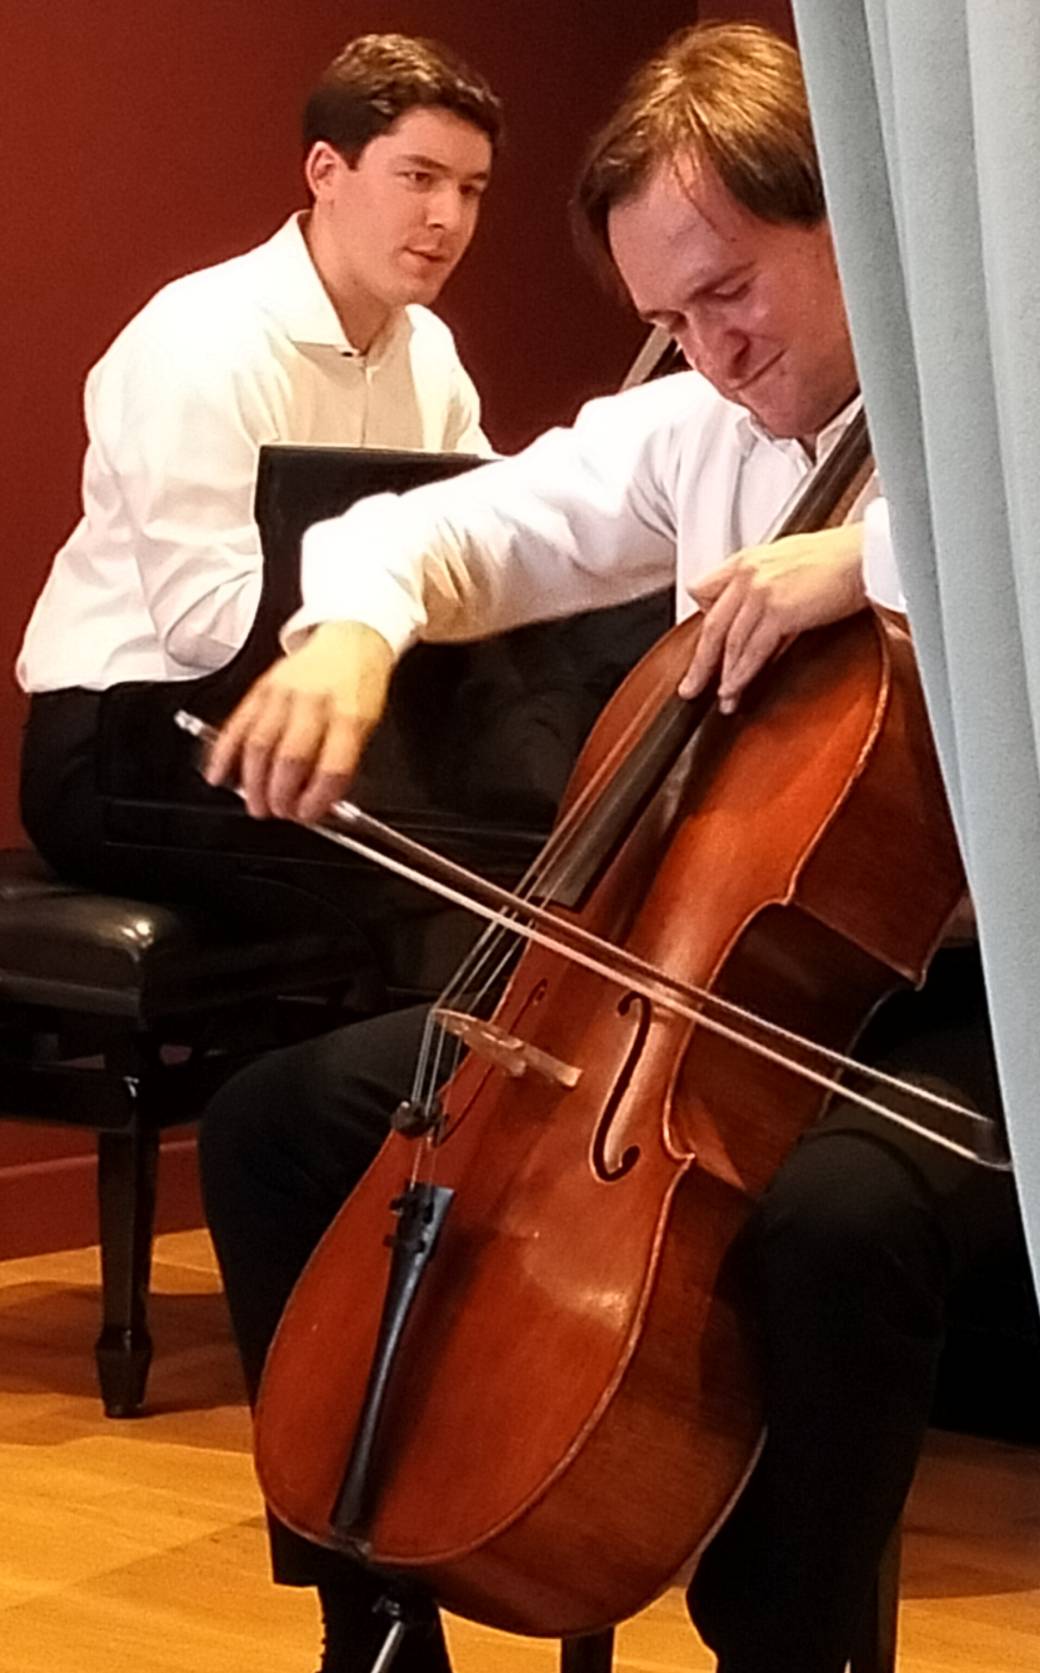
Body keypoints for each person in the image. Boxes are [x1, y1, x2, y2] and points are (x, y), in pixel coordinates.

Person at [199, 23, 1022, 1673]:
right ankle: (375, 1624)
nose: (710, 353)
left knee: (836, 1227)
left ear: (855, 224)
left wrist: (871, 563)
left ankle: (791, 1649)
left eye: (731, 293)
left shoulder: (993, 412)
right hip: (714, 981)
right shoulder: (704, 427)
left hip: (972, 991)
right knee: (282, 1120)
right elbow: (435, 529)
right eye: (670, 319)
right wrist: (351, 630)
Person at [16, 32, 501, 921]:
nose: (448, 217)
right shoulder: (202, 336)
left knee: (521, 840)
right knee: (429, 883)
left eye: (471, 190)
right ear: (326, 171)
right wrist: (373, 617)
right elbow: (204, 621)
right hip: (126, 735)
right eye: (419, 177)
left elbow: (479, 536)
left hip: (303, 720)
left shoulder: (430, 353)